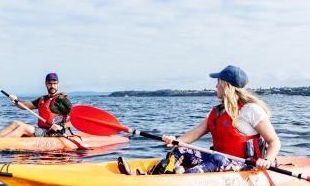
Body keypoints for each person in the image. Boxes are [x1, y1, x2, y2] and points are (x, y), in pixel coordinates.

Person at [118, 65, 280, 175]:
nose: (215, 87)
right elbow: (195, 133)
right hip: (220, 162)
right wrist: (175, 141)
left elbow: (274, 141)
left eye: (218, 83)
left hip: (245, 167)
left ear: (226, 86)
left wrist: (267, 160)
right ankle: (151, 176)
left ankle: (178, 181)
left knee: (217, 158)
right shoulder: (217, 112)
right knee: (181, 150)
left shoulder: (251, 110)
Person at [0, 72, 74, 138]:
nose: (52, 86)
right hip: (43, 130)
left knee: (23, 128)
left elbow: (75, 118)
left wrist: (62, 127)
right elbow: (25, 106)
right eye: (50, 83)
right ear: (45, 84)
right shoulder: (42, 99)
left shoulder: (62, 99)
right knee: (15, 123)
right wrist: (15, 100)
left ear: (58, 84)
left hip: (54, 133)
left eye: (55, 83)